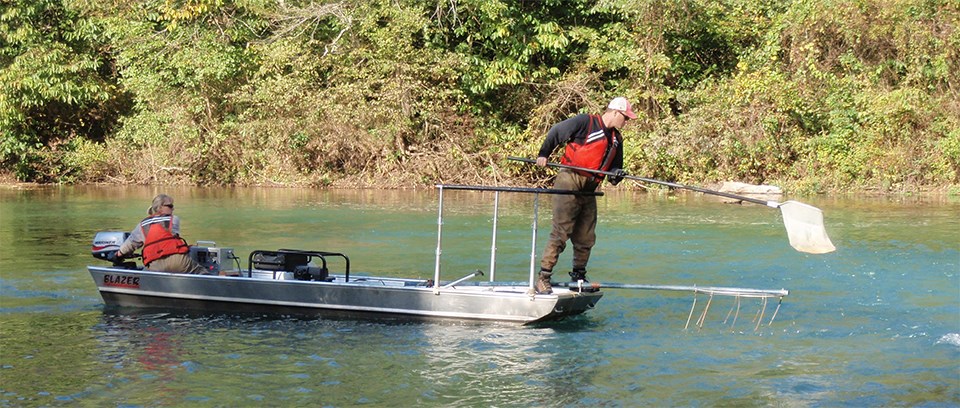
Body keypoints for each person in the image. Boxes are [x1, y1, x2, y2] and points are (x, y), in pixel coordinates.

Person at [533, 96, 635, 294]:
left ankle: (578, 276)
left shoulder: (616, 140)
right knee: (561, 232)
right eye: (625, 117)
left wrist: (617, 175)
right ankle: (543, 277)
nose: (627, 122)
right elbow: (556, 131)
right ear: (615, 112)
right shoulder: (585, 122)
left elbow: (614, 173)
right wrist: (544, 153)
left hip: (591, 187)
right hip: (569, 178)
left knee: (586, 236)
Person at [112, 194, 207, 274]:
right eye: (170, 206)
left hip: (154, 265)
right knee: (204, 273)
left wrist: (118, 255)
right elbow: (172, 239)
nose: (173, 209)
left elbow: (130, 244)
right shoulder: (174, 219)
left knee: (144, 274)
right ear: (160, 207)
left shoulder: (142, 225)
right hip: (178, 261)